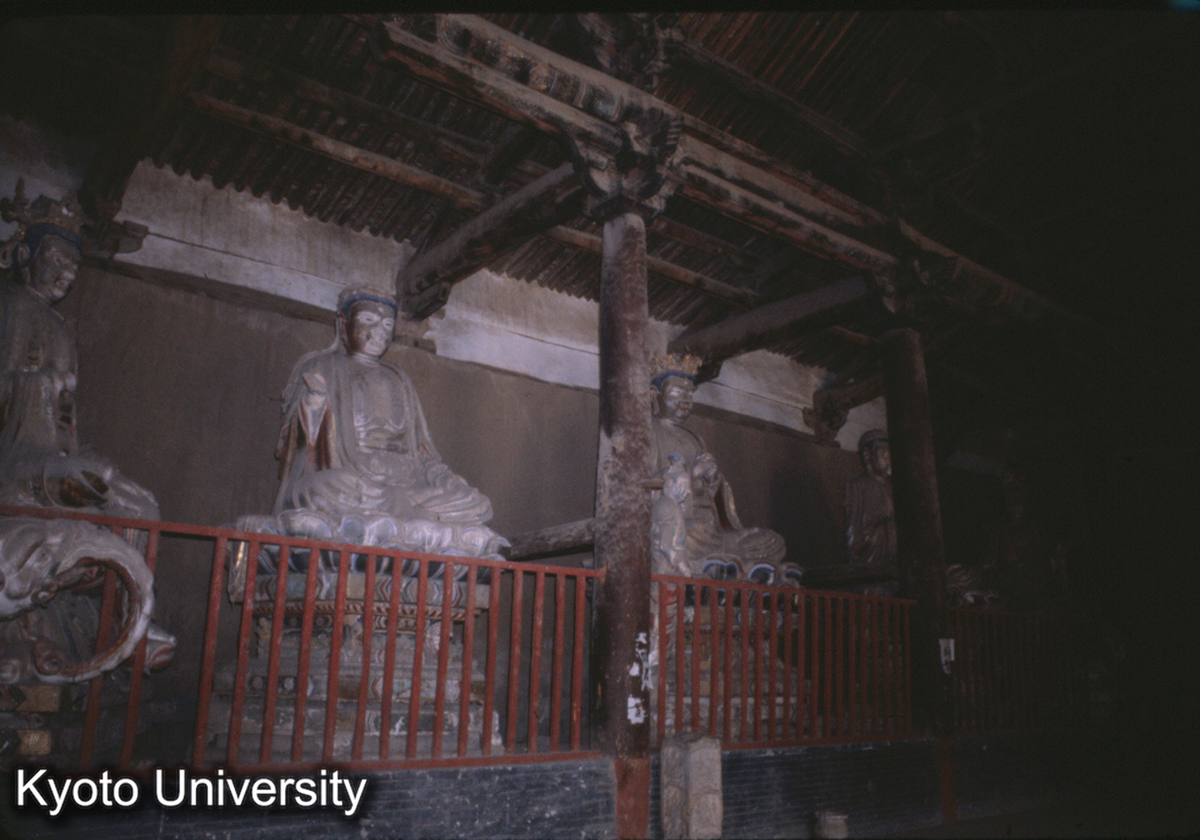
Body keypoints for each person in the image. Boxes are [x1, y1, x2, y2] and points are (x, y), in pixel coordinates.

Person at [268, 286, 502, 558]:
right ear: (344, 324)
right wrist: (313, 408)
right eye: (368, 320)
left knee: (477, 503)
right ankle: (410, 521)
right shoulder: (321, 367)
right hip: (355, 484)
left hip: (408, 485)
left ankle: (400, 516)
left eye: (388, 324)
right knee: (323, 489)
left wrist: (449, 482)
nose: (379, 330)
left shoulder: (400, 378)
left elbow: (424, 454)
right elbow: (299, 454)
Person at [0, 183, 158, 519]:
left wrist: (90, 456)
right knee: (86, 482)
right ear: (25, 254)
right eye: (58, 259)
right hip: (15, 457)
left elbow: (66, 424)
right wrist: (44, 384)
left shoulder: (63, 327)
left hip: (55, 455)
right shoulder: (11, 306)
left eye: (74, 264)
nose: (68, 273)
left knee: (141, 502)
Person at [647, 353, 786, 581]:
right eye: (676, 394)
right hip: (683, 526)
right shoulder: (648, 432)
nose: (685, 401)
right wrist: (692, 475)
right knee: (689, 534)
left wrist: (713, 481)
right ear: (655, 395)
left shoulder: (694, 437)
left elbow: (718, 500)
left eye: (690, 395)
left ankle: (728, 566)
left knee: (772, 541)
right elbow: (644, 489)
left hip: (713, 530)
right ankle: (728, 568)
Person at [844, 428, 896, 568]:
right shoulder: (859, 485)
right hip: (873, 555)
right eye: (885, 454)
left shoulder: (896, 487)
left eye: (892, 455)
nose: (890, 460)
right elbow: (855, 532)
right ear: (867, 456)